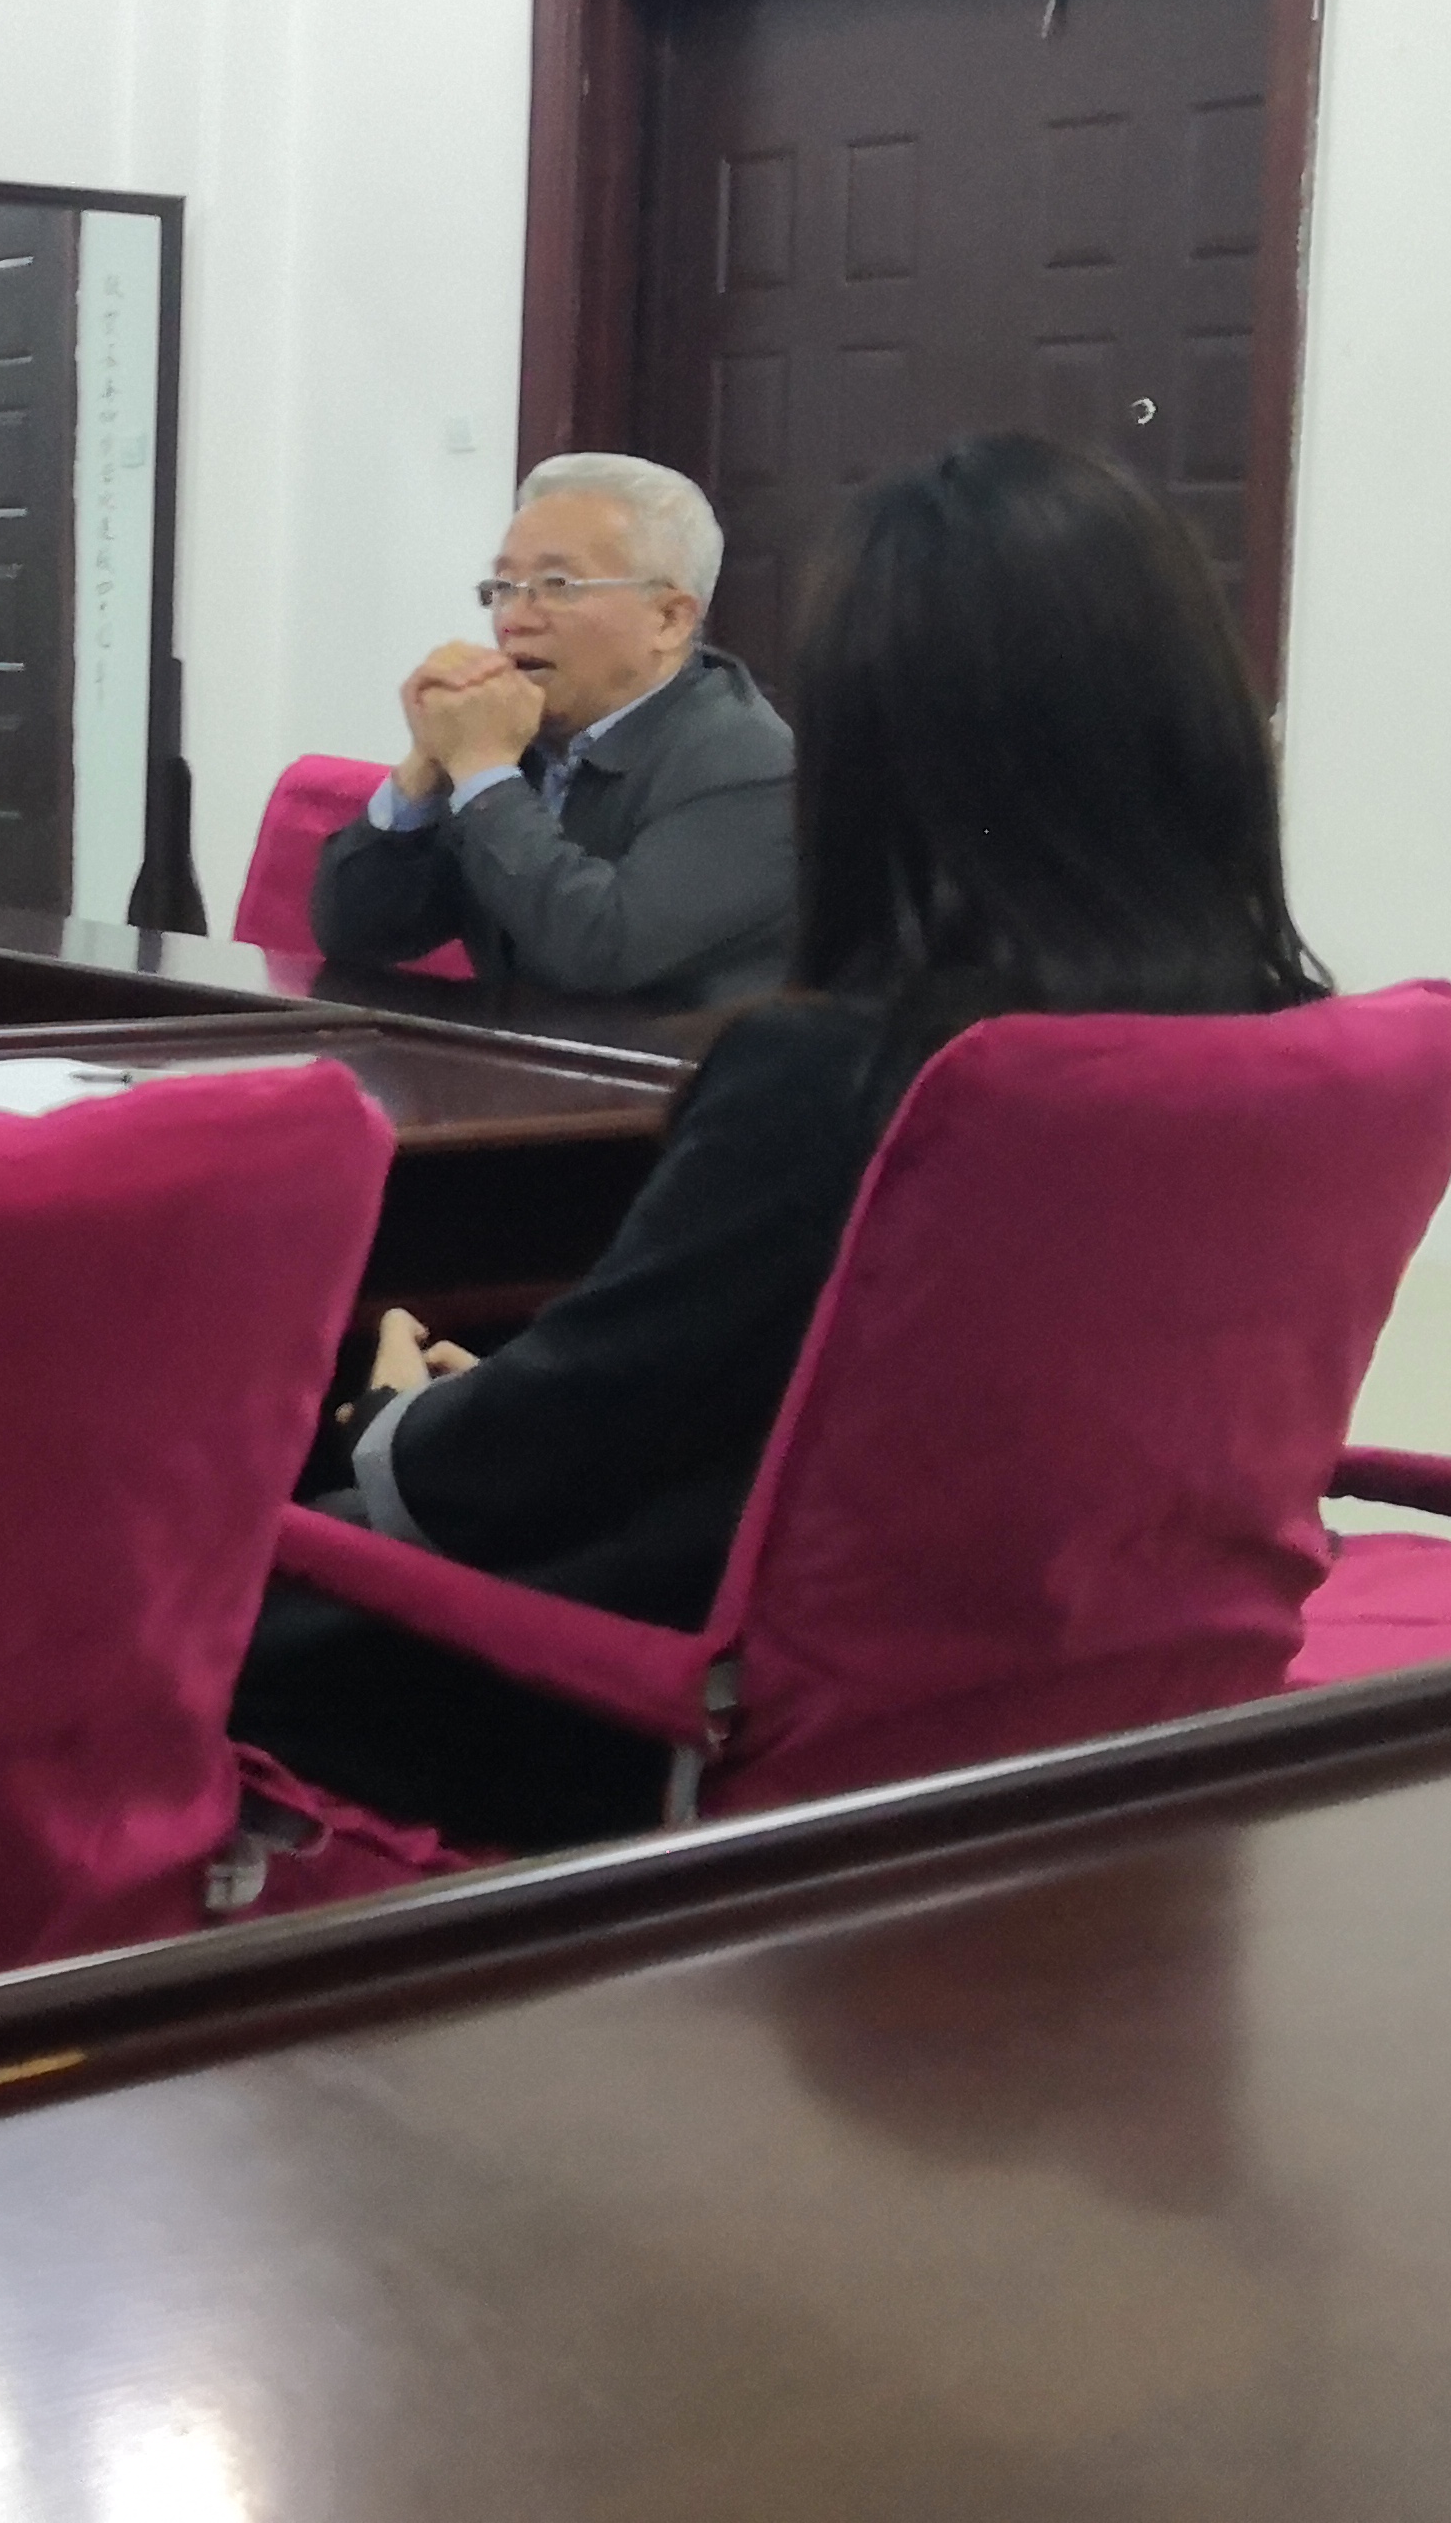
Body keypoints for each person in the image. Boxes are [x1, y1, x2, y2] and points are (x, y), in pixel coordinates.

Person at [236, 433, 1333, 1849]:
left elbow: (565, 1444)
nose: (517, 614)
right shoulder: (1275, 1037)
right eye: (506, 584)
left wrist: (398, 1419)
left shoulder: (850, 1074)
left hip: (689, 1690)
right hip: (1091, 1662)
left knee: (175, 1567)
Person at [308, 451, 795, 1007]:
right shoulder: (517, 735)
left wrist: (485, 776)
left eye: (557, 584)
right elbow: (355, 935)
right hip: (506, 1053)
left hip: (674, 1060)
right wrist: (425, 766)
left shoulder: (749, 765)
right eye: (504, 586)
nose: (513, 619)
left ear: (669, 619)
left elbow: (601, 953)